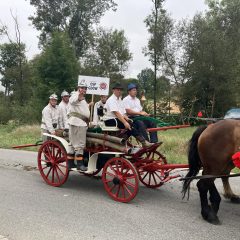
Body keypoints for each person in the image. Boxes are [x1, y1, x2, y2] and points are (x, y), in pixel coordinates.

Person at [104, 82, 153, 147]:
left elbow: (123, 113)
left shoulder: (120, 100)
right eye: (117, 90)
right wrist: (125, 122)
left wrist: (127, 119)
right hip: (109, 120)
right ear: (113, 90)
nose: (119, 91)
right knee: (129, 125)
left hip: (116, 119)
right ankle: (143, 142)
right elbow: (117, 113)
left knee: (133, 124)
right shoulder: (111, 100)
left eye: (120, 90)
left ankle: (123, 140)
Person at [67, 83, 90, 171]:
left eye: (85, 88)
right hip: (78, 123)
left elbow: (81, 108)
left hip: (79, 122)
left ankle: (70, 163)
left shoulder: (82, 98)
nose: (84, 89)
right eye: (82, 88)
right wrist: (79, 96)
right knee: (80, 144)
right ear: (78, 88)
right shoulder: (75, 95)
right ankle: (79, 164)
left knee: (72, 143)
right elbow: (72, 101)